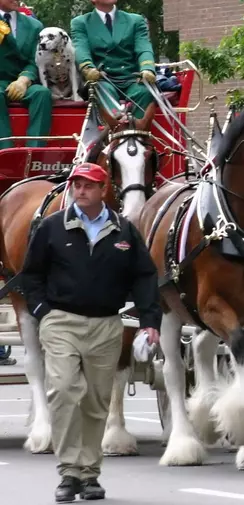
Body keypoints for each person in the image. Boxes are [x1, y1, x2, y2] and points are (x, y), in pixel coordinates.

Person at [16, 161, 161, 502]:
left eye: (88, 185)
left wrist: (150, 321)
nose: (80, 190)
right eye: (77, 184)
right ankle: (69, 471)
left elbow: (144, 276)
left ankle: (89, 474)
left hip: (107, 326)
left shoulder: (124, 231)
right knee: (64, 391)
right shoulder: (52, 228)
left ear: (103, 189)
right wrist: (42, 312)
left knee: (97, 403)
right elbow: (31, 275)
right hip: (61, 322)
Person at [70, 0, 157, 119]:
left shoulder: (134, 20)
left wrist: (148, 68)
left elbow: (143, 47)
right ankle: (117, 129)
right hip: (102, 78)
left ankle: (138, 136)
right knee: (100, 90)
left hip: (131, 77)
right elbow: (80, 48)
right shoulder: (81, 23)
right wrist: (88, 69)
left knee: (144, 92)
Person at [0, 0, 52, 149]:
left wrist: (24, 80)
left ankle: (35, 152)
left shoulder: (33, 25)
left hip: (22, 82)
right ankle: (4, 153)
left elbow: (35, 59)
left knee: (42, 94)